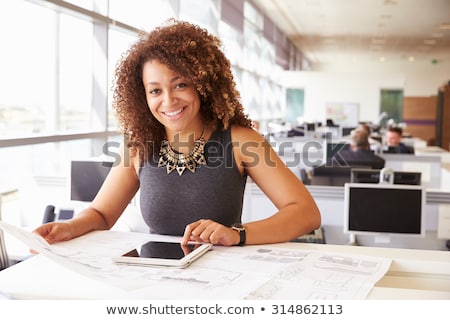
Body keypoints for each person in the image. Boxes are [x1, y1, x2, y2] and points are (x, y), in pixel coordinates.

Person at [33, 19, 321, 247]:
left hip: (223, 280)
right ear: (142, 96)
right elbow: (101, 214)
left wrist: (237, 234)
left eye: (180, 84)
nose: (168, 101)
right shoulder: (139, 146)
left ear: (203, 84)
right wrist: (69, 227)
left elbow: (305, 213)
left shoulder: (240, 141)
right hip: (152, 280)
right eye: (155, 90)